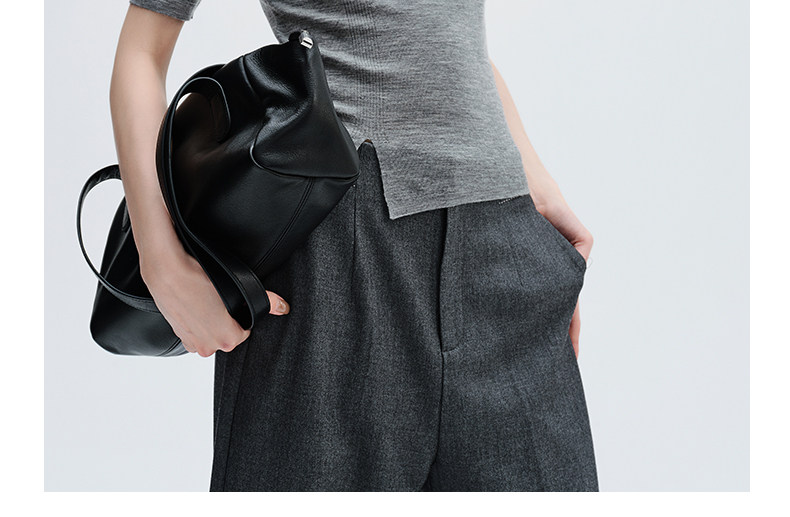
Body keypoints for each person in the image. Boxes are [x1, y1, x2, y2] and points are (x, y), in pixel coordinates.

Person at [111, 0, 599, 491]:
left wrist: (536, 190)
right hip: (340, 248)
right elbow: (142, 51)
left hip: (505, 237)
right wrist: (163, 265)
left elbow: (449, 33)